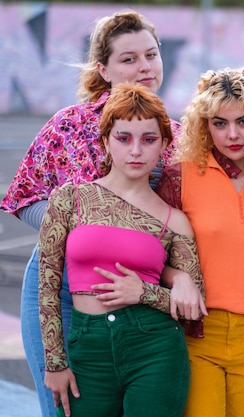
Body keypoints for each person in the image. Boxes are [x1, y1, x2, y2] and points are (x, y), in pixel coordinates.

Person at [0, 10, 205, 417]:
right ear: (104, 69)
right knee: (61, 404)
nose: (144, 67)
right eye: (129, 59)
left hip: (139, 288)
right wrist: (78, 224)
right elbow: (21, 197)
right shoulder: (69, 125)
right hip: (60, 284)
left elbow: (172, 229)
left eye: (151, 54)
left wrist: (178, 274)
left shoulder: (178, 137)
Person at [39, 83, 205, 417]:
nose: (136, 151)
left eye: (148, 139)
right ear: (105, 141)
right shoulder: (70, 199)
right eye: (124, 138)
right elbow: (48, 284)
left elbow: (193, 309)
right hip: (87, 351)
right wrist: (55, 363)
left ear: (164, 145)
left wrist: (144, 292)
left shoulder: (175, 221)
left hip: (155, 350)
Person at [156, 67, 244, 417]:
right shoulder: (178, 177)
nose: (233, 134)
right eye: (219, 123)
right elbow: (151, 257)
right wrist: (176, 278)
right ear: (203, 125)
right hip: (198, 332)